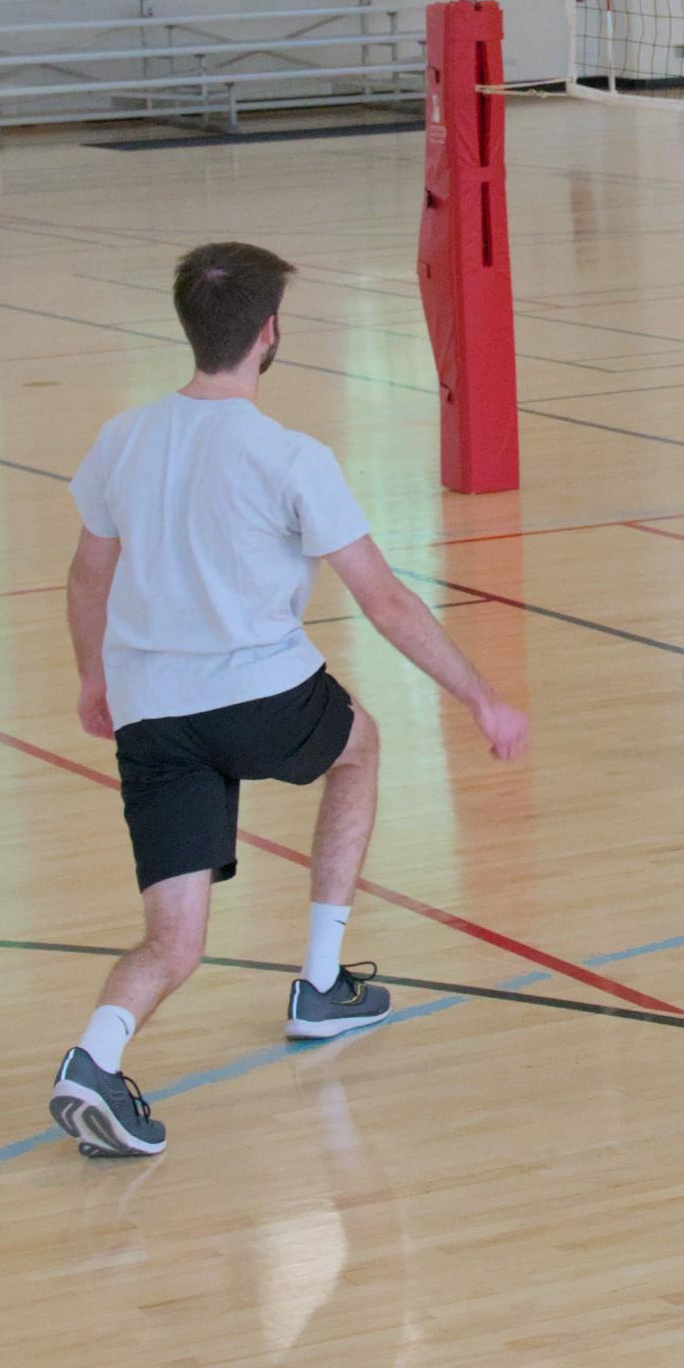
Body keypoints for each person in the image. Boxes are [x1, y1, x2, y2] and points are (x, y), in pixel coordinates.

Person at [48, 240, 530, 1159]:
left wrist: (92, 678)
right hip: (261, 693)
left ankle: (92, 1060)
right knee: (361, 747)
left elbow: (85, 577)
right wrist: (481, 698)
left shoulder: (123, 438)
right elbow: (384, 602)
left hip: (153, 712)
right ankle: (318, 984)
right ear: (270, 334)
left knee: (174, 941)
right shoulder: (292, 457)